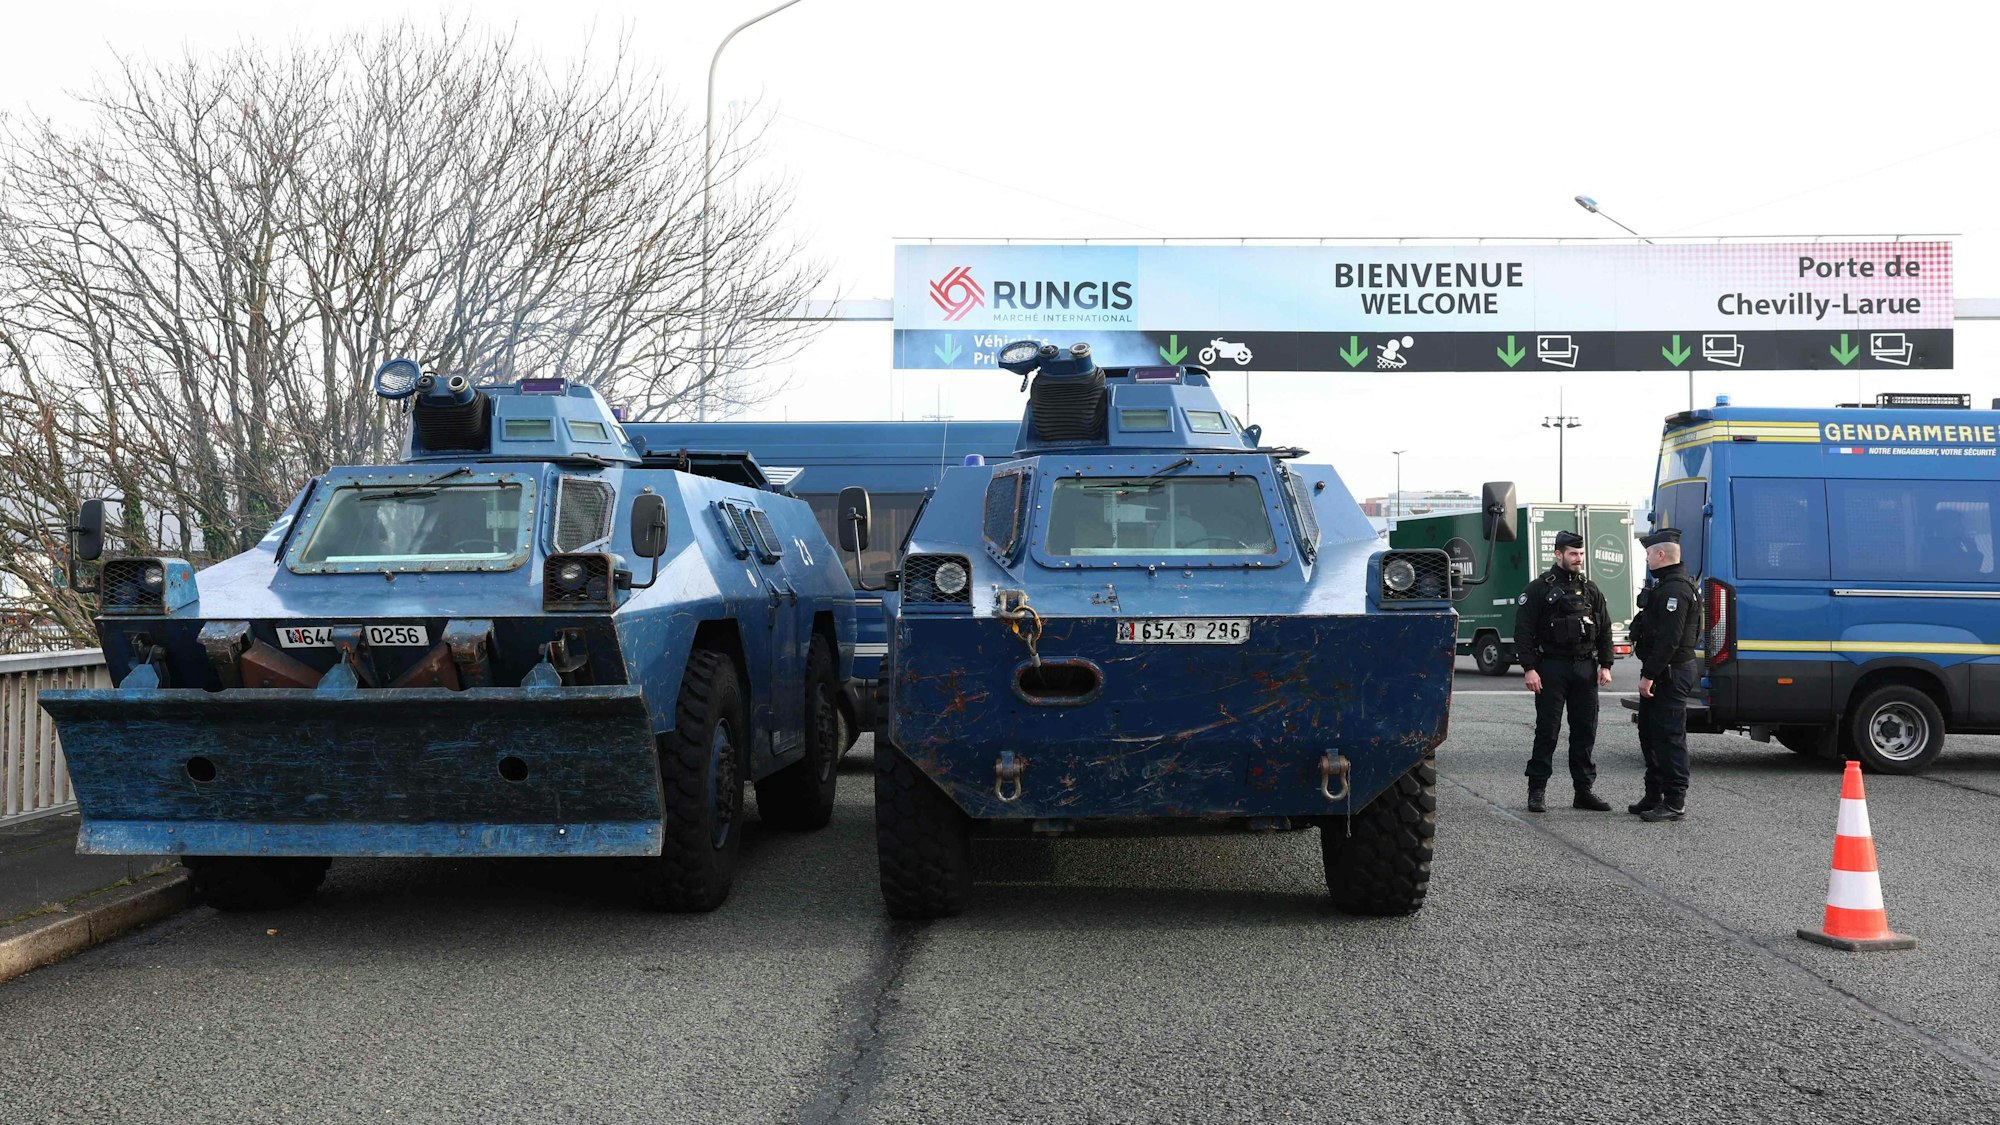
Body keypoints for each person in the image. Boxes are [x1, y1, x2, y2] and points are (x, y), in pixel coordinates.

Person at [1513, 529, 1616, 813]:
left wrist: (1606, 664)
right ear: (1558, 554)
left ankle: (1583, 791)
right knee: (1548, 731)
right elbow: (1523, 632)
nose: (1578, 559)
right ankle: (1537, 791)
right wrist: (1529, 668)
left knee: (1585, 731)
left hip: (1585, 667)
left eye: (1581, 554)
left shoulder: (1590, 589)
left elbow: (1605, 628)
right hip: (1551, 668)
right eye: (1573, 554)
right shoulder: (1538, 589)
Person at [1631, 527, 1701, 821]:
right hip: (1663, 671)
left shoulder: (1675, 589)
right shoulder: (1666, 584)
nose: (1646, 558)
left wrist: (1649, 674)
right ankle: (1654, 794)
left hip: (1669, 673)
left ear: (1661, 555)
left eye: (1648, 553)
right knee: (1650, 733)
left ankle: (1674, 801)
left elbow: (1669, 640)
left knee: (1670, 737)